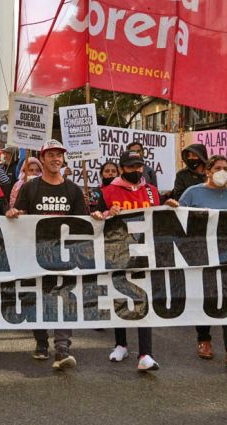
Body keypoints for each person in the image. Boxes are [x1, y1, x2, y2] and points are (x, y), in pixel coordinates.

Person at [91, 150, 177, 371]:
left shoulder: (152, 191)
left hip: (144, 252)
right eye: (131, 167)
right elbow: (95, 219)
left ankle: (146, 353)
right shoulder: (108, 191)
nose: (136, 170)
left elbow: (157, 217)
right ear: (122, 169)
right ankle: (120, 344)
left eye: (139, 166)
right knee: (120, 296)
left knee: (143, 300)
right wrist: (106, 213)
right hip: (117, 251)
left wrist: (169, 207)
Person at [6, 139, 86, 371]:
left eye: (59, 155)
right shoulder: (30, 188)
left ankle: (62, 349)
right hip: (35, 254)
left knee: (64, 300)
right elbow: (20, 215)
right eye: (50, 155)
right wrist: (14, 213)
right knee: (38, 299)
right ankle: (41, 342)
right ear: (42, 159)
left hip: (63, 256)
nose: (55, 159)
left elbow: (82, 223)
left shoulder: (73, 189)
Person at [178, 155, 227, 366]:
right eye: (217, 168)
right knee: (207, 297)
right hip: (202, 254)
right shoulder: (193, 193)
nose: (222, 172)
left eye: (226, 168)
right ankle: (204, 340)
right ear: (207, 171)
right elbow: (177, 219)